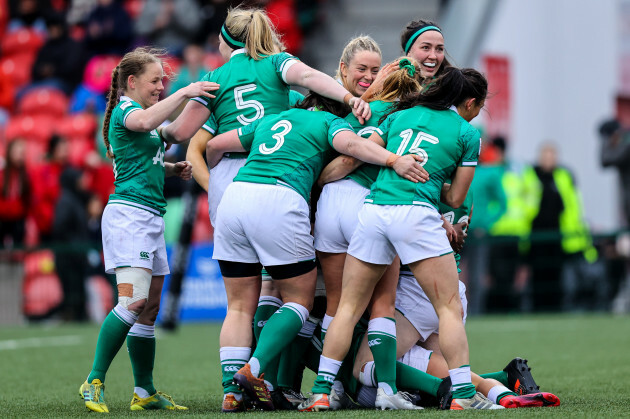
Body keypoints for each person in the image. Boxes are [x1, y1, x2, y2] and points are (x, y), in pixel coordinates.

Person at [159, 6, 371, 411]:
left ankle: (231, 390)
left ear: (225, 40)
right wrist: (347, 96)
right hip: (276, 175)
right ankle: (268, 375)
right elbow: (308, 78)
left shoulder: (214, 78)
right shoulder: (277, 66)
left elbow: (180, 135)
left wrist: (158, 113)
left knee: (240, 302)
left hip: (229, 190)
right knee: (292, 293)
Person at [202, 91, 424, 411]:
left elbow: (213, 146)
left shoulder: (271, 119)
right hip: (279, 198)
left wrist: (215, 186)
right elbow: (353, 148)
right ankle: (253, 368)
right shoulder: (328, 121)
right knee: (299, 301)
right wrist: (392, 159)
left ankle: (231, 393)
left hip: (234, 197)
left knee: (238, 306)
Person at [299, 67, 490, 411]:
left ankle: (321, 392)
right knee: (448, 306)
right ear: (470, 102)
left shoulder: (399, 115)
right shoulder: (466, 132)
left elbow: (359, 154)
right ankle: (462, 395)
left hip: (373, 209)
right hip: (415, 213)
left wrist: (324, 179)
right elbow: (457, 199)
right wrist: (434, 178)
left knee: (347, 307)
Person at [78, 46, 219, 413]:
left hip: (150, 217)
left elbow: (157, 142)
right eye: (155, 80)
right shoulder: (128, 110)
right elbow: (143, 126)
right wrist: (185, 91)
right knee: (133, 301)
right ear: (131, 81)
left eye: (164, 81)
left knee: (150, 309)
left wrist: (171, 169)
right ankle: (93, 381)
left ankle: (145, 391)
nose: (160, 86)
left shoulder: (145, 116)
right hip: (129, 219)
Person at [523, 143, 597, 312]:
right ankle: (538, 308)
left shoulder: (563, 176)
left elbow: (572, 205)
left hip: (559, 234)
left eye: (552, 155)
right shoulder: (530, 175)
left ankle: (555, 307)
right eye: (546, 155)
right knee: (538, 273)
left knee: (556, 273)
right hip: (535, 234)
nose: (549, 159)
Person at [53, 167, 91, 322]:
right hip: (68, 258)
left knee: (78, 291)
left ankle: (78, 318)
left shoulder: (75, 199)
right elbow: (59, 227)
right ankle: (72, 318)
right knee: (72, 293)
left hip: (76, 257)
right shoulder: (66, 201)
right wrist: (74, 244)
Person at [0, 139, 30, 250]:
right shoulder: (2, 175)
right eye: (17, 152)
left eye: (22, 153)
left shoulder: (26, 175)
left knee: (19, 250)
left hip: (19, 220)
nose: (19, 156)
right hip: (3, 220)